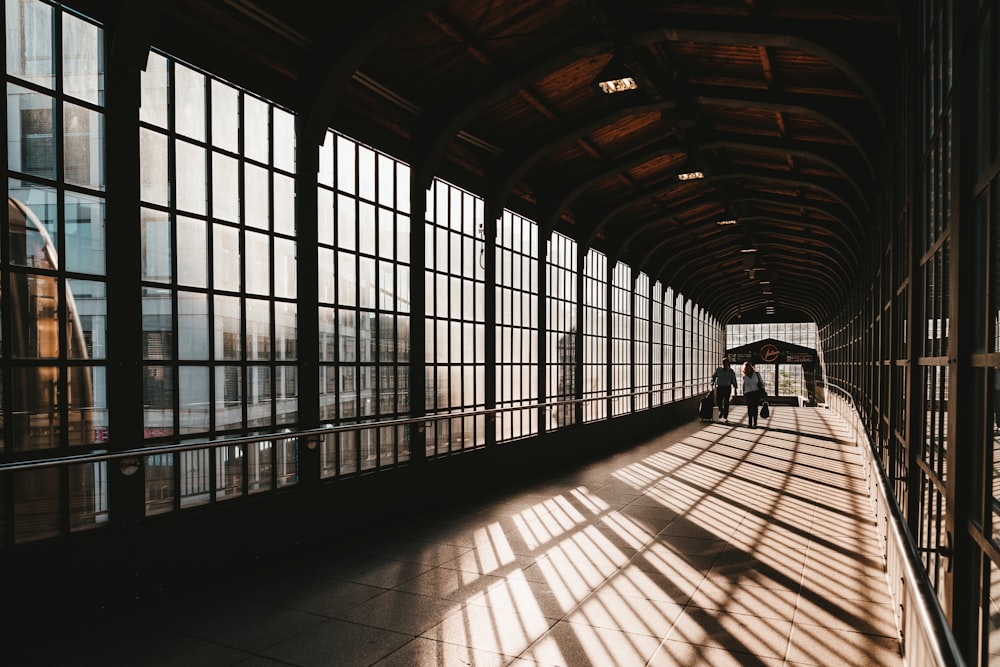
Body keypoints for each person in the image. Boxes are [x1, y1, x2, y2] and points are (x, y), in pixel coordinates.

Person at [711, 358, 738, 423]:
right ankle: (721, 410)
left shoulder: (731, 371)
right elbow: (714, 376)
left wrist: (735, 388)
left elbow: (734, 379)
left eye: (726, 363)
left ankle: (725, 416)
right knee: (718, 400)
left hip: (727, 387)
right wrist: (712, 382)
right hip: (720, 387)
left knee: (726, 402)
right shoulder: (718, 370)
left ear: (728, 363)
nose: (724, 364)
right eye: (723, 363)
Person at [741, 361, 766, 428]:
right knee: (749, 408)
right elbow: (744, 385)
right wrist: (743, 392)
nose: (748, 369)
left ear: (751, 368)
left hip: (756, 392)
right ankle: (750, 423)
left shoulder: (756, 374)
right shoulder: (745, 376)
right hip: (748, 393)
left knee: (755, 408)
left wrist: (763, 390)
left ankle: (755, 422)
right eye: (746, 368)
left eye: (748, 367)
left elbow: (761, 382)